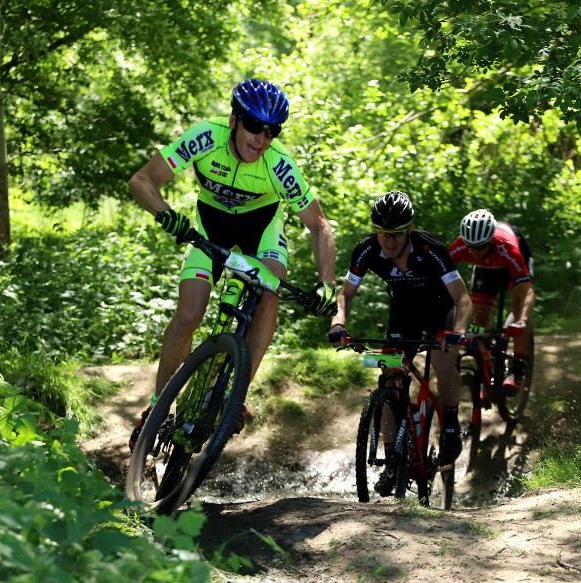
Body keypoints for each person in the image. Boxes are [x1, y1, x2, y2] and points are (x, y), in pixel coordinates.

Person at [127, 78, 338, 450]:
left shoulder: (278, 164)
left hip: (261, 231)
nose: (261, 139)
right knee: (190, 312)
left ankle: (234, 397)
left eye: (271, 131)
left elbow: (319, 225)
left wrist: (326, 283)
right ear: (234, 120)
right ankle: (158, 407)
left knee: (270, 293)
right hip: (211, 228)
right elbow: (142, 180)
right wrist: (166, 214)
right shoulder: (205, 137)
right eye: (254, 126)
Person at [327, 191, 472, 496]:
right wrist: (338, 323)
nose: (388, 241)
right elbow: (345, 295)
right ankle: (393, 459)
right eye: (382, 233)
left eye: (395, 234)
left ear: (408, 229)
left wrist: (457, 332)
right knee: (390, 378)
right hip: (403, 314)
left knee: (445, 362)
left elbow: (462, 298)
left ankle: (449, 422)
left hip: (439, 311)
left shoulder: (430, 249)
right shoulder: (366, 250)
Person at [448, 209, 535, 393]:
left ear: (491, 241)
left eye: (479, 247)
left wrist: (522, 321)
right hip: (486, 269)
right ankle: (485, 369)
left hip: (512, 264)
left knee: (519, 306)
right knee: (480, 321)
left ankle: (518, 367)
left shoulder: (508, 249)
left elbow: (527, 292)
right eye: (470, 246)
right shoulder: (462, 245)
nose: (474, 251)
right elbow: (439, 277)